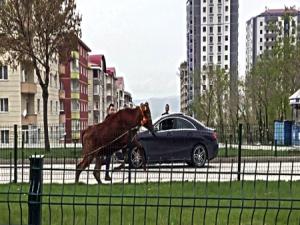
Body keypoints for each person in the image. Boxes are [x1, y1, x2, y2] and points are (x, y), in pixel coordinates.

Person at [104, 103, 115, 181]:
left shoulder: (114, 118)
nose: (113, 111)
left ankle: (107, 174)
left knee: (109, 158)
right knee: (108, 158)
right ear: (108, 111)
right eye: (111, 110)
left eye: (113, 110)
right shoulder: (107, 119)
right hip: (107, 142)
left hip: (112, 141)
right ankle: (106, 174)